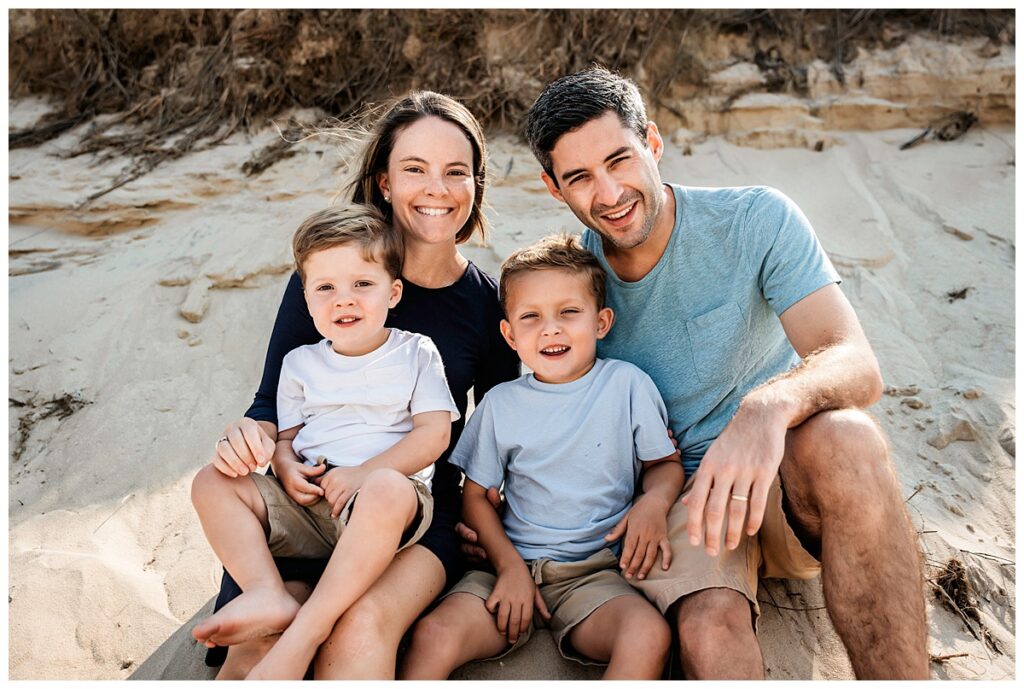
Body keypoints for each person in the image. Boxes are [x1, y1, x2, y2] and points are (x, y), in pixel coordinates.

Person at [501, 67, 927, 679]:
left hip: (784, 477)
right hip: (683, 502)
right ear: (552, 188)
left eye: (619, 160)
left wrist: (766, 409)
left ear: (652, 142)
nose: (610, 192)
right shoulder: (570, 291)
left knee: (850, 438)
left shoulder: (755, 219)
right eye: (580, 178)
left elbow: (855, 361)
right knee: (707, 629)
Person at [203, 91, 520, 679]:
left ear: (476, 185)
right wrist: (256, 441)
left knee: (362, 626)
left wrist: (497, 525)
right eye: (414, 169)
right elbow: (272, 401)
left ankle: (312, 631)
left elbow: (500, 431)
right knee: (258, 642)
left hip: (416, 516)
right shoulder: (332, 277)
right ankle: (282, 612)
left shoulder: (485, 306)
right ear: (383, 182)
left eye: (456, 172)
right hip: (312, 497)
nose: (437, 188)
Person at [191, 204, 460, 679]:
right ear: (308, 301)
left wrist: (364, 474)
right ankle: (264, 591)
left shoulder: (415, 352)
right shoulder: (299, 363)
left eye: (362, 284)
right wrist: (287, 467)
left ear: (393, 292)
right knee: (212, 483)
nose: (344, 300)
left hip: (386, 510)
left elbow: (435, 434)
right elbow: (287, 437)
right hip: (312, 505)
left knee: (386, 489)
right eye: (326, 288)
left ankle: (307, 631)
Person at [401, 234, 682, 680]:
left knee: (647, 635)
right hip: (506, 567)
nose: (551, 329)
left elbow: (664, 465)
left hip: (594, 575)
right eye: (531, 317)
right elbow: (476, 497)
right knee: (435, 633)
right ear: (509, 335)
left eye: (569, 312)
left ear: (601, 321)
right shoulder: (501, 403)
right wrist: (508, 567)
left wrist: (654, 503)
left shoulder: (627, 386)